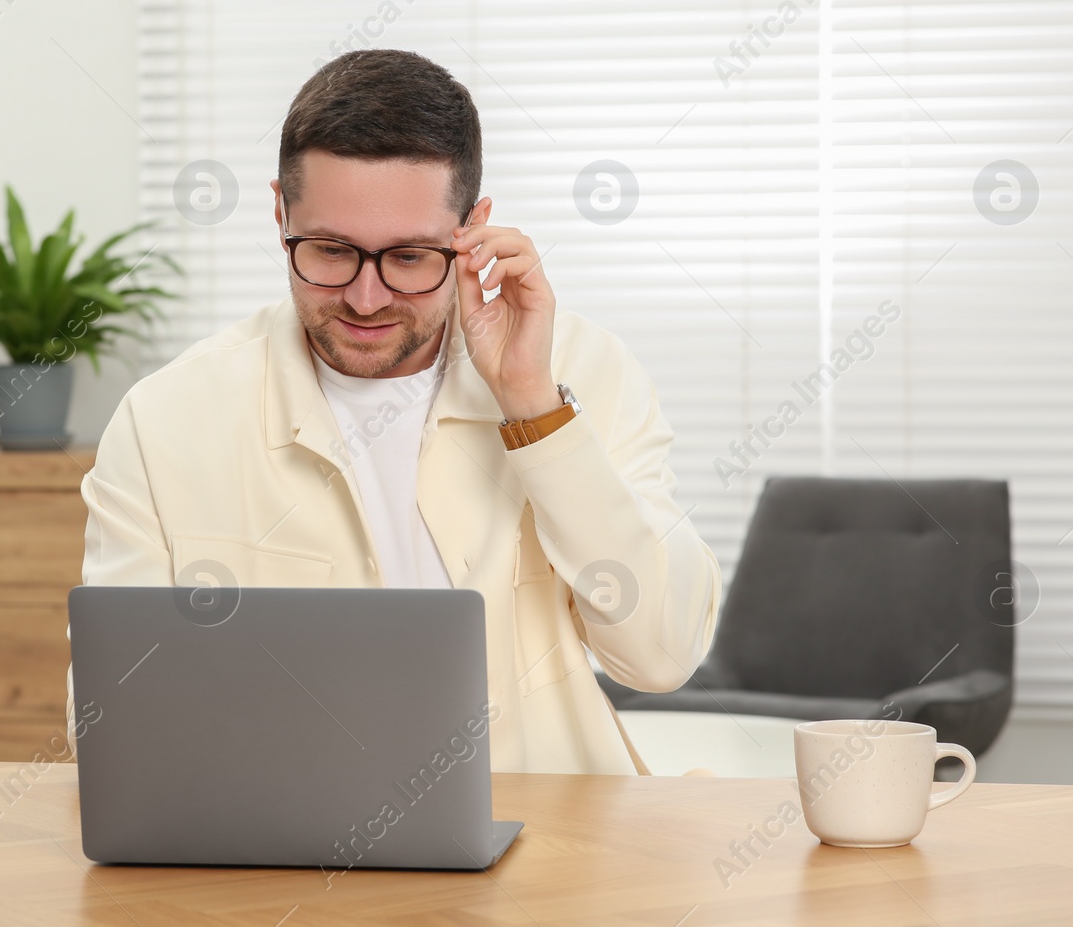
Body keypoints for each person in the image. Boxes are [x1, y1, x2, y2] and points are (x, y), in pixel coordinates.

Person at [75, 48, 719, 774]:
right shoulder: (166, 419)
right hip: (287, 859)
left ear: (472, 231)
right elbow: (111, 718)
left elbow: (661, 655)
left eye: (410, 258)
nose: (366, 298)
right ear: (280, 215)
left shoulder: (585, 373)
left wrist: (533, 408)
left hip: (556, 853)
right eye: (330, 250)